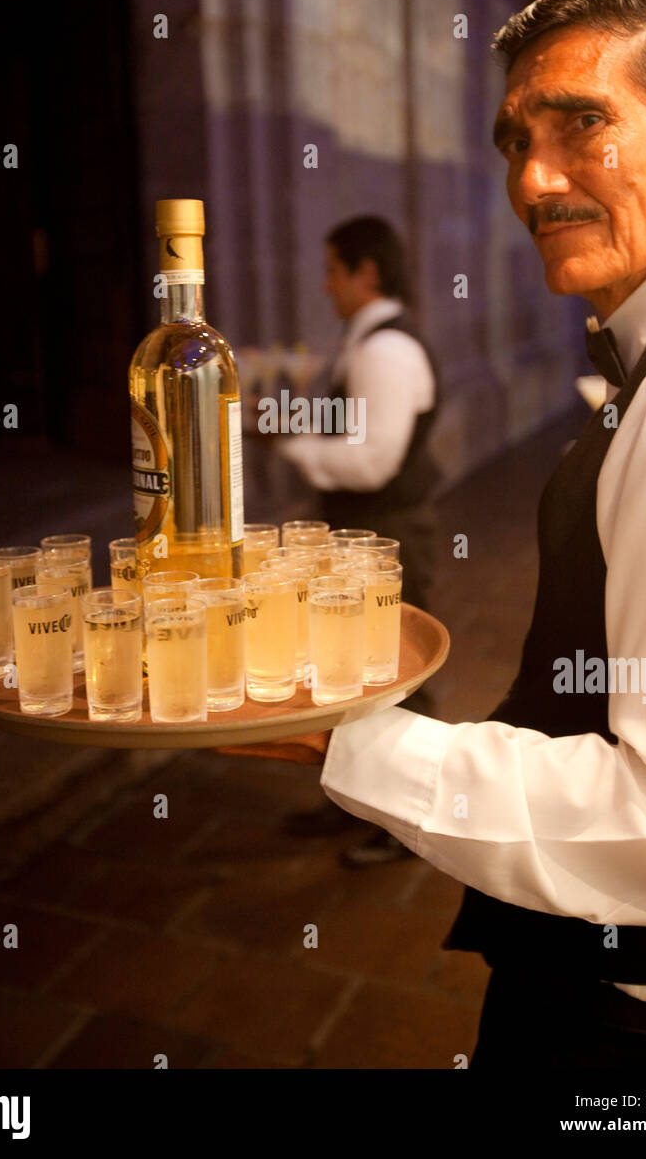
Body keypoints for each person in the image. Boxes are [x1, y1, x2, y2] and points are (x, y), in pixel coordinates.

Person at [227, 0, 646, 1068]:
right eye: (514, 141)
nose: (533, 180)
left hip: (641, 1018)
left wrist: (357, 743)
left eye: (581, 126)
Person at [276, 217, 443, 864]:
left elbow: (373, 461)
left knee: (398, 676)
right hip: (368, 533)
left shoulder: (386, 351)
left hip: (390, 534)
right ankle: (353, 801)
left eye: (332, 270)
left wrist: (293, 444)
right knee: (350, 672)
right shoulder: (367, 342)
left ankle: (403, 827)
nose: (326, 285)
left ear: (365, 272)